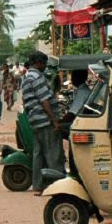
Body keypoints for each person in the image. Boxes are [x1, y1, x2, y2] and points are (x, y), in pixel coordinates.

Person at [21, 51, 64, 193]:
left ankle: (38, 185)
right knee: (53, 154)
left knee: (38, 154)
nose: (45, 67)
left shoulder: (27, 77)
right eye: (44, 64)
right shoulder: (37, 77)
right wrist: (54, 120)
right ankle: (57, 186)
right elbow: (44, 100)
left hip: (35, 120)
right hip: (45, 121)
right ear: (39, 63)